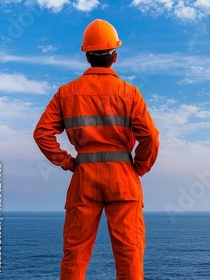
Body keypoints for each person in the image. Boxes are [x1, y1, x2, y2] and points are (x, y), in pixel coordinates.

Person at [33, 19, 160, 280]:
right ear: (115, 56)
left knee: (75, 253)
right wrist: (139, 168)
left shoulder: (66, 93)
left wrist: (68, 162)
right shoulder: (130, 93)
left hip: (84, 178)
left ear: (87, 56)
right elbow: (151, 137)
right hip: (123, 178)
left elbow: (42, 133)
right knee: (129, 253)